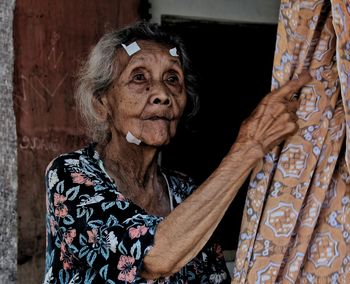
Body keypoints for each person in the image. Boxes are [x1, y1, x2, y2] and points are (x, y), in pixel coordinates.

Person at [43, 21, 311, 283]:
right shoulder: (72, 175)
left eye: (172, 79)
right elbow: (154, 257)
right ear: (102, 103)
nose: (162, 93)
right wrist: (249, 147)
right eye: (139, 77)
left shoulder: (186, 192)